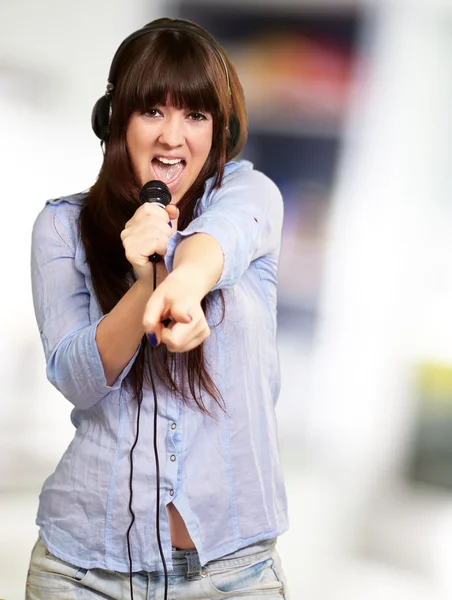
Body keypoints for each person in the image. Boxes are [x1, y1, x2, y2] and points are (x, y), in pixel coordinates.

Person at [27, 16, 290, 600]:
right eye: (153, 112)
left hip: (233, 575)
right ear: (114, 120)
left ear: (221, 130)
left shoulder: (251, 196)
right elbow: (75, 376)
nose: (174, 137)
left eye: (195, 115)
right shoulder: (62, 228)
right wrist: (144, 283)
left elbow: (216, 244)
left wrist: (182, 285)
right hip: (82, 573)